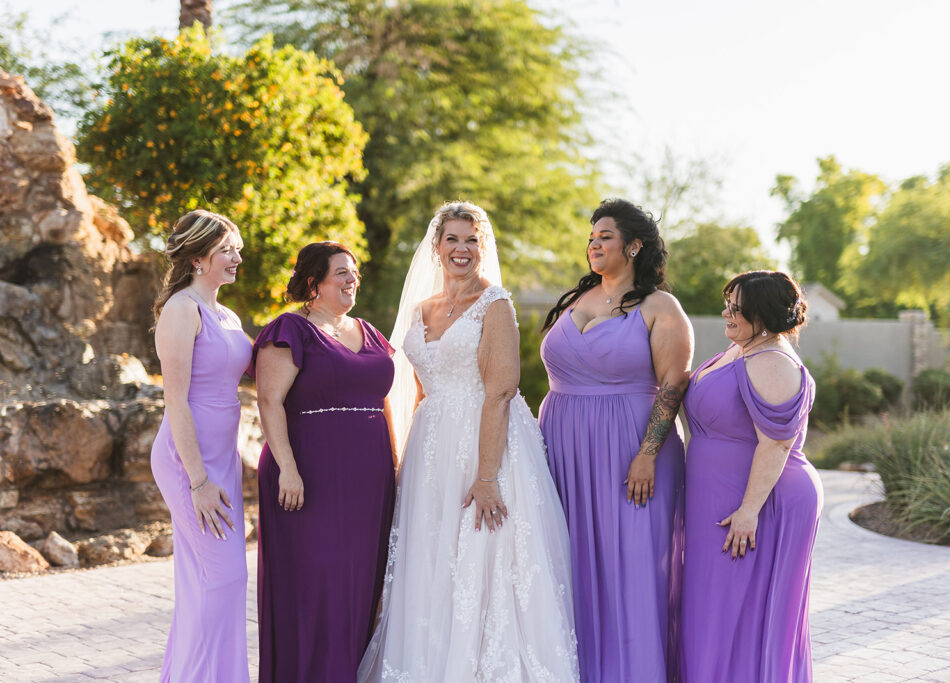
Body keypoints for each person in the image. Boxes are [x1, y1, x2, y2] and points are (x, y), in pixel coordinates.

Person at [358, 201, 579, 682]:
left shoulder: (494, 303)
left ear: (483, 247)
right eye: (453, 239)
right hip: (430, 446)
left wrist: (486, 477)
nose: (462, 249)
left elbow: (500, 390)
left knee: (483, 556)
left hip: (486, 440)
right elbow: (417, 388)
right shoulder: (422, 309)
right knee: (431, 558)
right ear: (436, 247)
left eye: (471, 240)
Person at [538, 198, 693, 682]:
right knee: (571, 562)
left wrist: (647, 454)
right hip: (564, 451)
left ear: (634, 246)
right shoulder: (576, 299)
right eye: (591, 237)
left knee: (632, 568)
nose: (594, 244)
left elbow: (673, 384)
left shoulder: (660, 307)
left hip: (632, 451)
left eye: (605, 236)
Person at [250, 242, 397, 682]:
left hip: (369, 480)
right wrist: (288, 469)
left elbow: (385, 402)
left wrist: (395, 462)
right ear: (314, 283)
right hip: (307, 476)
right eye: (342, 273)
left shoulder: (369, 332)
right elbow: (269, 401)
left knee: (362, 585)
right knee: (319, 586)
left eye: (354, 272)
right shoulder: (290, 329)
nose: (353, 279)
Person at [681, 270, 822, 682]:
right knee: (716, 607)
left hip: (761, 501)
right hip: (725, 495)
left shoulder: (773, 361)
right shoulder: (743, 348)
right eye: (727, 303)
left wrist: (748, 511)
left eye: (737, 308)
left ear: (762, 314)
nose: (726, 313)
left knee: (741, 611)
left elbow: (776, 444)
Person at [149, 209, 250, 682]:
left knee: (212, 581)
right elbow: (175, 400)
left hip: (223, 457)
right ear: (197, 258)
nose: (237, 257)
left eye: (237, 249)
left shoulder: (226, 315)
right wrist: (198, 481)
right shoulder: (181, 309)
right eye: (226, 249)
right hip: (188, 460)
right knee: (222, 577)